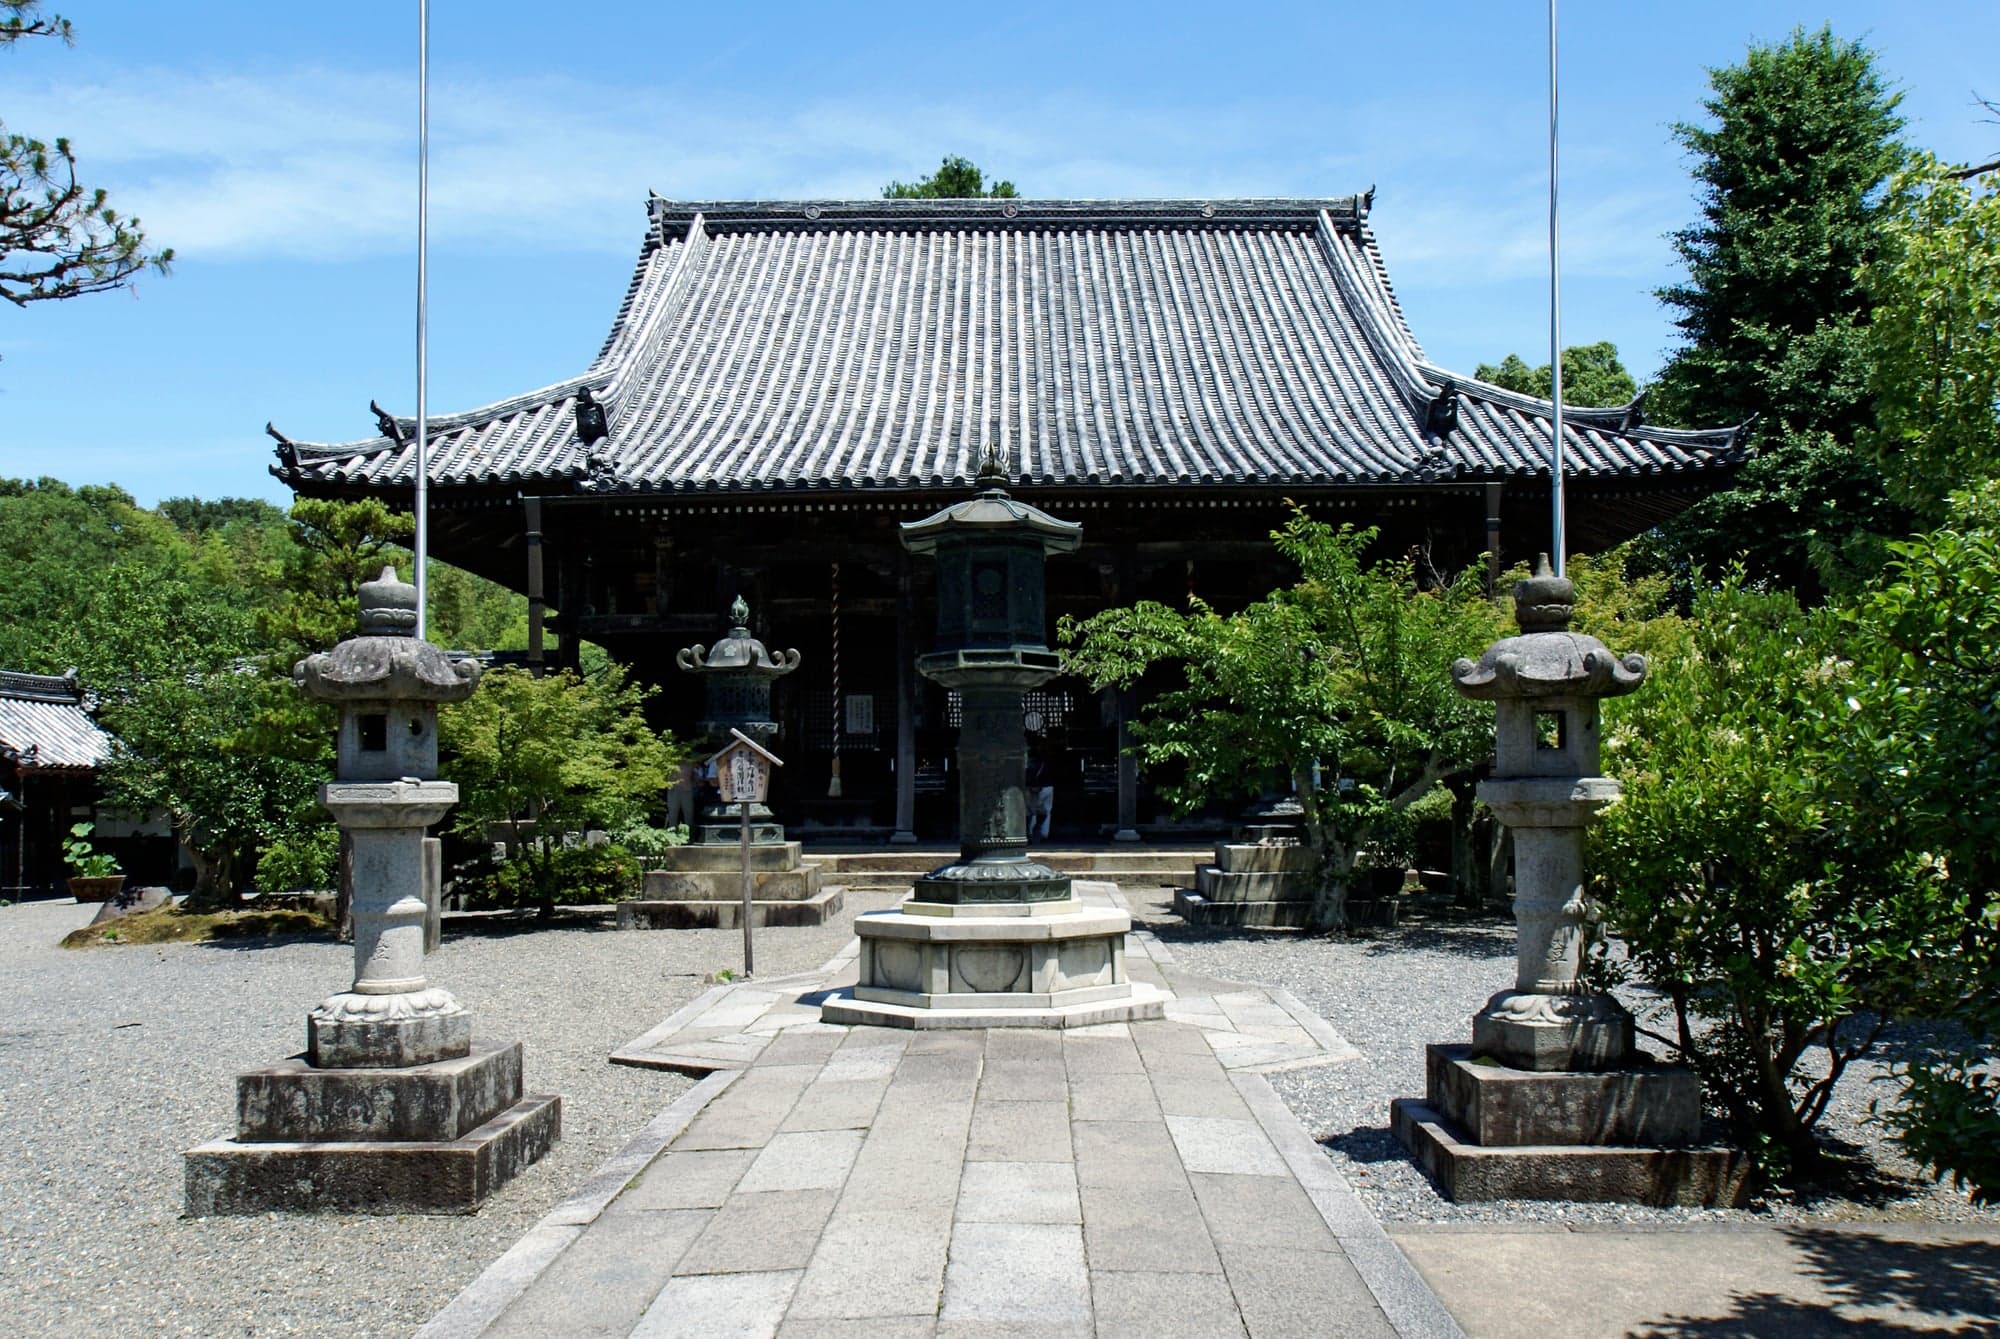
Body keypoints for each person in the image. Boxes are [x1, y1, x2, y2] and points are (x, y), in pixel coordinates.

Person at [1025, 742, 1055, 842]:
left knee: (1032, 810)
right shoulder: (1046, 761)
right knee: (1046, 810)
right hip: (1048, 786)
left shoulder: (1031, 763)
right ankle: (1043, 833)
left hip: (1036, 788)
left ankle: (1031, 832)